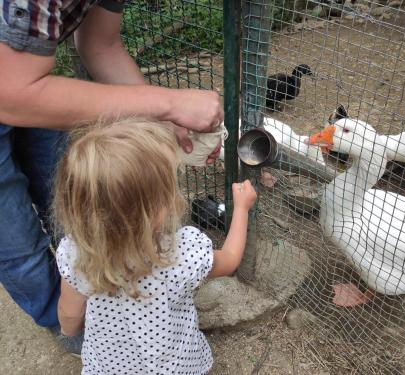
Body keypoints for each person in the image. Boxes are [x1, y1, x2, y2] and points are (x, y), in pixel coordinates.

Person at [0, 0, 223, 354]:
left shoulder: (78, 255)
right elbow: (11, 95)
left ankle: (97, 300)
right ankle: (72, 327)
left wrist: (166, 118)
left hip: (25, 77)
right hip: (17, 86)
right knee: (14, 238)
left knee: (62, 186)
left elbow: (100, 44)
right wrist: (169, 105)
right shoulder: (187, 250)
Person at [52, 118, 256, 373]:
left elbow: (70, 314)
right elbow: (230, 258)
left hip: (112, 365)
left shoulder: (76, 253)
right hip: (175, 365)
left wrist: (68, 330)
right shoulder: (181, 253)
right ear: (157, 209)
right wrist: (241, 208)